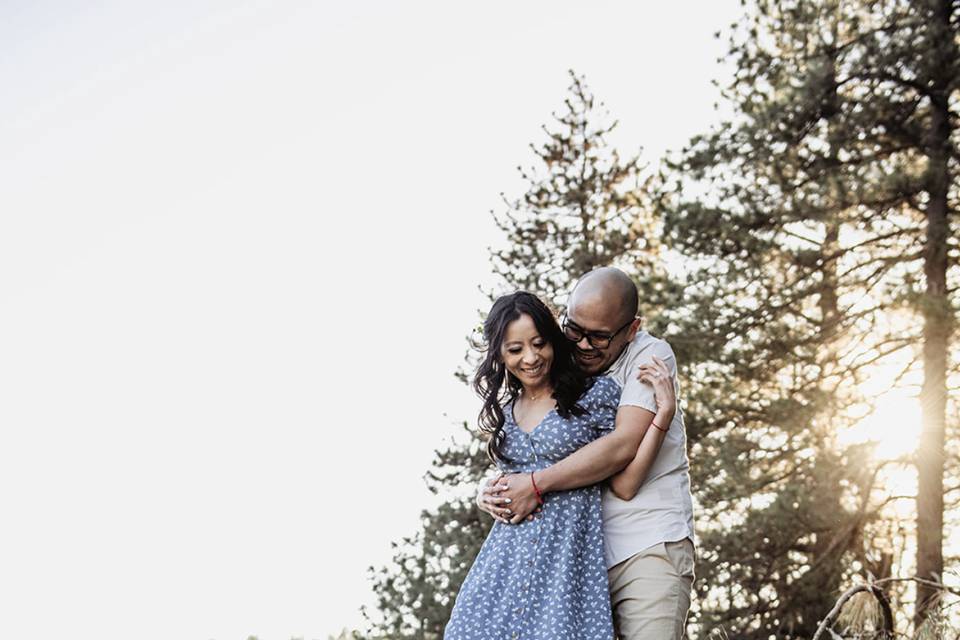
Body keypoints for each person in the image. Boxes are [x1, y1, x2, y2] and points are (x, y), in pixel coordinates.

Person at [477, 267, 696, 640]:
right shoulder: (563, 364)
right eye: (573, 330)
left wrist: (534, 485)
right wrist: (489, 489)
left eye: (598, 337)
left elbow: (621, 449)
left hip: (647, 544)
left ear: (631, 329)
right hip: (578, 559)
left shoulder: (650, 355)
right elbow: (533, 441)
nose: (581, 346)